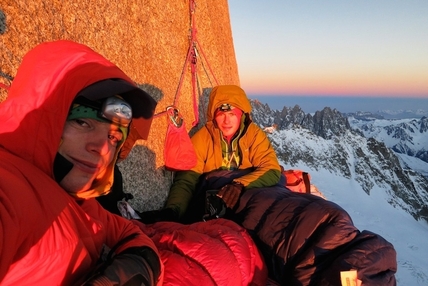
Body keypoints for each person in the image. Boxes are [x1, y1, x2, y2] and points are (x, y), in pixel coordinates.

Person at [0, 40, 163, 285]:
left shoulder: (84, 202)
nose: (102, 148)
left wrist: (136, 266)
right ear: (44, 120)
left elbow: (128, 232)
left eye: (113, 137)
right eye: (83, 123)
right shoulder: (10, 191)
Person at [139, 84, 282, 223]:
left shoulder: (253, 135)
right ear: (214, 115)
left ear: (241, 115)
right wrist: (174, 211)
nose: (227, 121)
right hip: (214, 201)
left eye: (232, 114)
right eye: (221, 114)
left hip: (250, 195)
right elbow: (187, 179)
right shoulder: (204, 137)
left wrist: (239, 185)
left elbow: (272, 169)